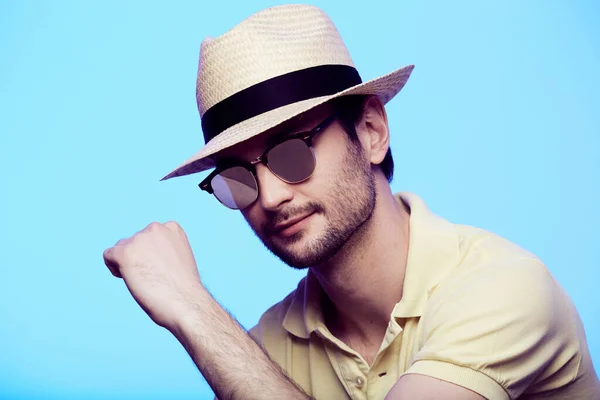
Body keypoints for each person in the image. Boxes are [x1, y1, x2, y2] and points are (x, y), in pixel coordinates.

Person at [102, 4, 600, 399]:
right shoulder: (266, 349)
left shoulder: (501, 288)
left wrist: (192, 309)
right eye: (237, 176)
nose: (271, 197)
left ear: (371, 130)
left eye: (293, 152)